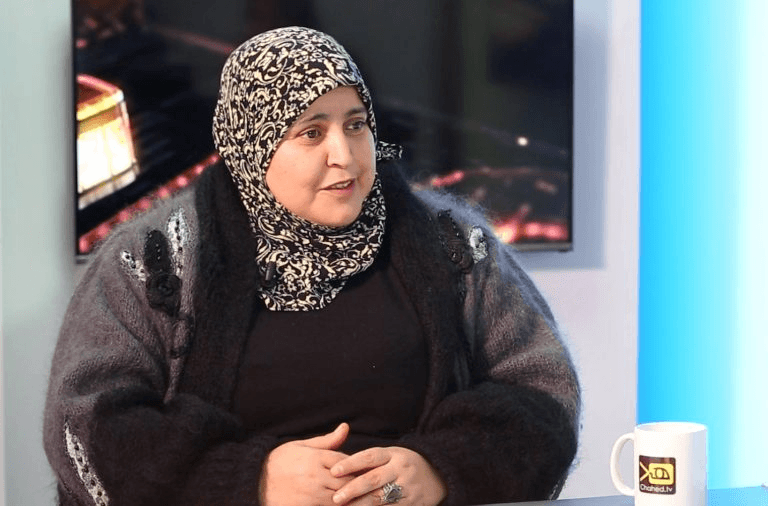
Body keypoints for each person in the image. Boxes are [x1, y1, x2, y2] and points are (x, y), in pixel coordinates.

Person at [44, 26, 580, 506]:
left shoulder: (455, 246)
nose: (345, 155)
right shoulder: (152, 259)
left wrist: (440, 469)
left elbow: (544, 392)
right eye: (311, 132)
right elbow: (84, 428)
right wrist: (248, 481)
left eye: (356, 125)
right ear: (251, 145)